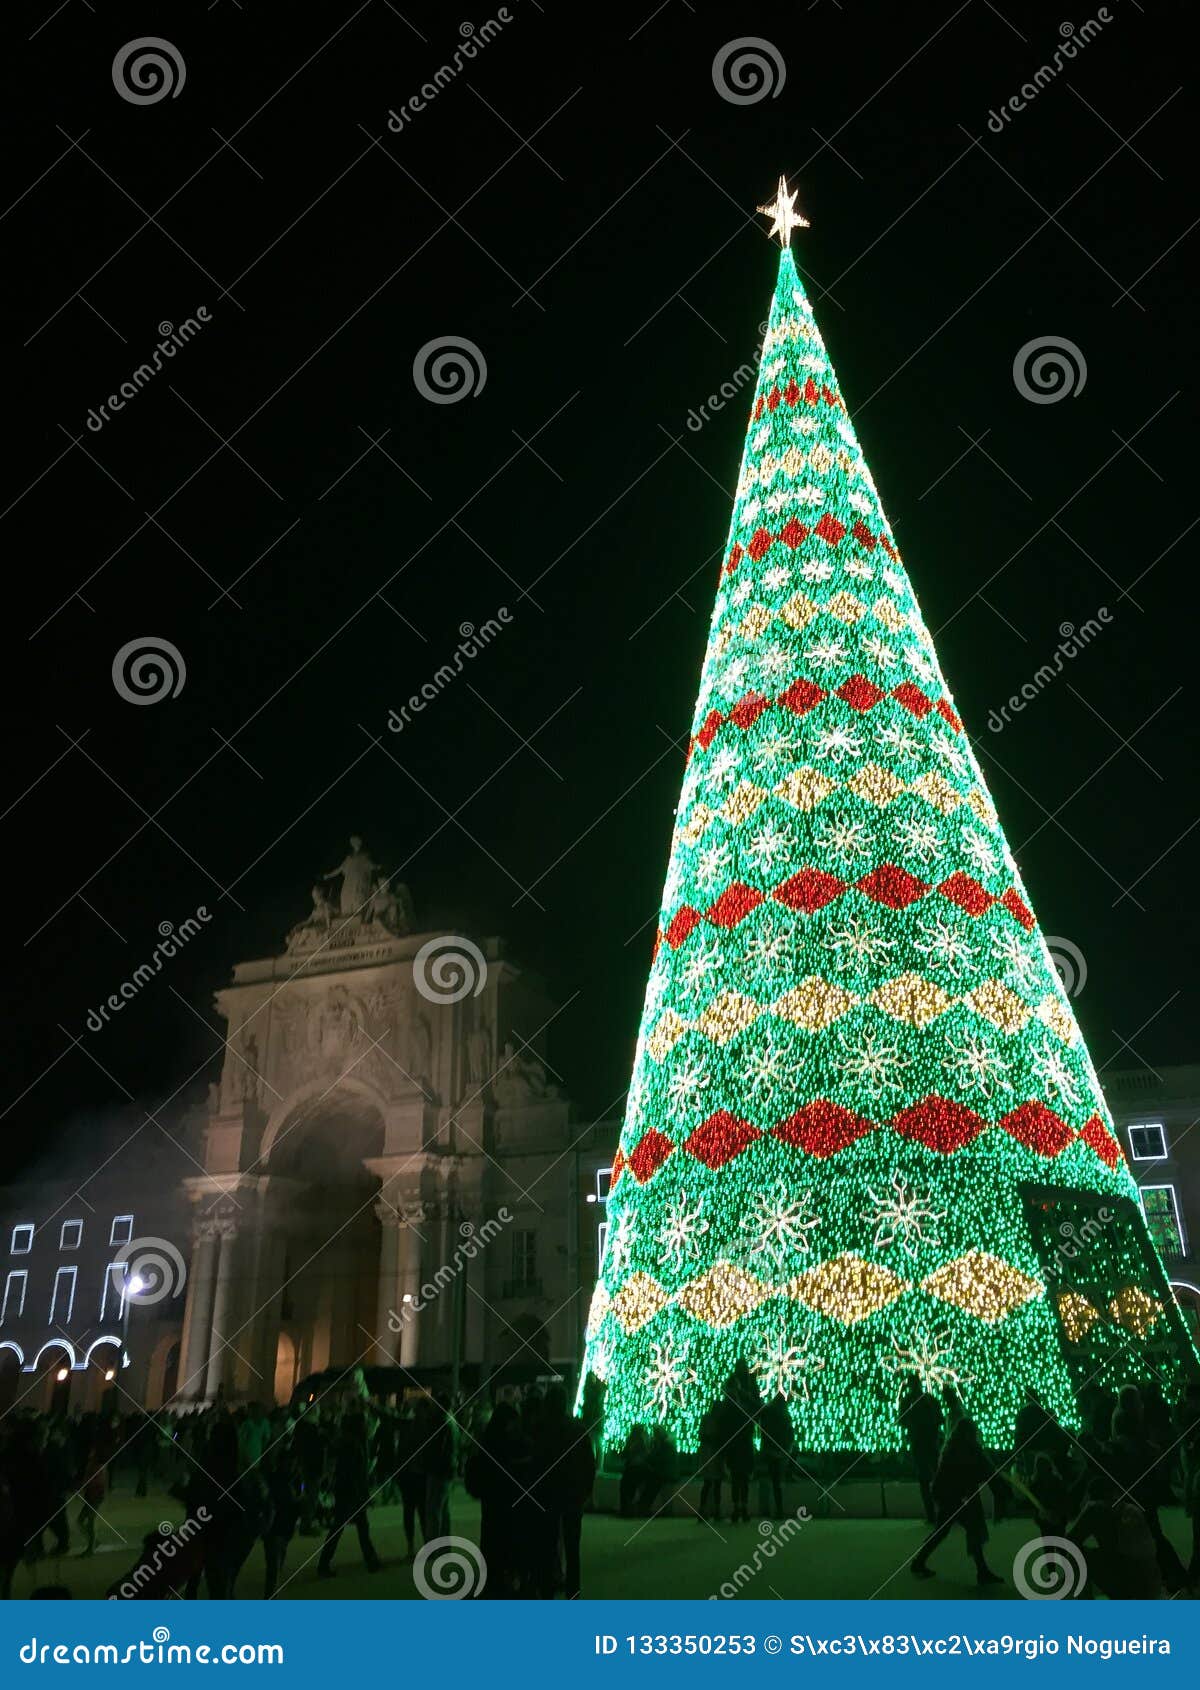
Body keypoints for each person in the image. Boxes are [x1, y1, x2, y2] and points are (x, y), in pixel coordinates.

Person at [910, 1417, 1003, 1587]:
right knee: (967, 1528)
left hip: (948, 1495)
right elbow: (974, 1471)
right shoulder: (962, 1450)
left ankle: (919, 1562)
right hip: (950, 1496)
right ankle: (982, 1571)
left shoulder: (956, 1448)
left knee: (946, 1530)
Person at [465, 1402, 528, 1598]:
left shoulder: (487, 1437)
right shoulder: (502, 1440)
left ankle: (490, 1582)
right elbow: (504, 1468)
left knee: (490, 1540)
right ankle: (501, 1583)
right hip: (503, 1499)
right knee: (503, 1541)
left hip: (490, 1500)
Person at [1069, 1473, 1162, 1598]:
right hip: (1148, 1580)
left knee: (1076, 1554)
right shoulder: (1130, 1509)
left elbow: (1070, 1539)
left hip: (1130, 1578)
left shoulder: (1097, 1509)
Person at [317, 1402, 381, 1578]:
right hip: (352, 1494)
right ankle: (369, 1560)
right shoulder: (355, 1445)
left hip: (348, 1492)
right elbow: (355, 1474)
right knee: (349, 1528)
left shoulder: (349, 1443)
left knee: (352, 1528)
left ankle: (370, 1559)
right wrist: (364, 1495)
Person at [898, 1377, 942, 1524]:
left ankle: (932, 1515)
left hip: (919, 1442)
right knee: (936, 1476)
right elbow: (940, 1418)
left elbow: (901, 1420)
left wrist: (913, 1426)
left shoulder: (908, 1401)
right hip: (930, 1442)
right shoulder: (929, 1399)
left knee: (924, 1479)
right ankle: (942, 1511)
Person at [757, 1393, 792, 1519]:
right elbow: (790, 1435)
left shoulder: (767, 1413)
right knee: (777, 1483)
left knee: (766, 1480)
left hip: (768, 1452)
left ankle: (765, 1509)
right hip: (780, 1454)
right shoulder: (785, 1416)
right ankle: (779, 1510)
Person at [695, 1401, 726, 1523]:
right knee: (713, 1484)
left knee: (709, 1484)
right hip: (713, 1455)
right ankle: (712, 1511)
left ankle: (704, 1511)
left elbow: (701, 1435)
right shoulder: (719, 1420)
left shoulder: (707, 1418)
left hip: (710, 1455)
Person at [619, 1425, 649, 1517]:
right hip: (637, 1468)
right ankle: (628, 1510)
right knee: (629, 1489)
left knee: (626, 1489)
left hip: (633, 1468)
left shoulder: (635, 1441)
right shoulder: (642, 1441)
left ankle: (626, 1510)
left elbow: (628, 1453)